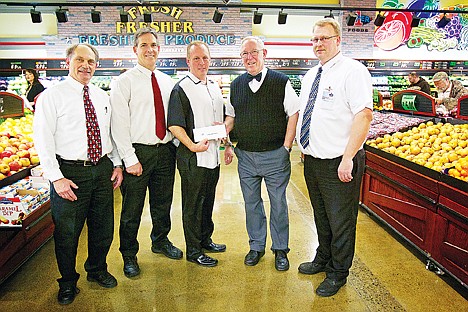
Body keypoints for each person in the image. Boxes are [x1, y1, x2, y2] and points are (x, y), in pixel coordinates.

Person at [33, 43, 124, 305]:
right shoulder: (52, 96)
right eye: (80, 60)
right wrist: (56, 177)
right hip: (69, 173)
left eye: (91, 62)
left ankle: (97, 269)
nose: (86, 66)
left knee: (102, 227)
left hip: (102, 169)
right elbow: (43, 139)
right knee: (67, 232)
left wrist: (116, 163)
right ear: (68, 62)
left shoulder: (100, 96)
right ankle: (68, 282)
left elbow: (108, 134)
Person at [296, 18, 373, 297]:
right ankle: (323, 257)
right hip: (314, 160)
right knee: (321, 216)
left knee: (341, 220)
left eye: (324, 38)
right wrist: (305, 149)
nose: (319, 44)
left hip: (340, 162)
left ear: (338, 40)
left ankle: (338, 272)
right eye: (315, 39)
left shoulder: (353, 71)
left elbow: (364, 116)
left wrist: (348, 157)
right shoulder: (310, 76)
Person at [110, 27, 182, 278]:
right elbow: (118, 123)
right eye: (144, 45)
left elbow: (173, 117)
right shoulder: (124, 81)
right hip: (137, 153)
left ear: (159, 49)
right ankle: (129, 254)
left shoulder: (166, 81)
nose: (149, 49)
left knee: (162, 203)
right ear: (135, 50)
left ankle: (160, 241)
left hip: (164, 151)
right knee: (132, 209)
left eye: (153, 45)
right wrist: (128, 158)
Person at [224, 36, 299, 271]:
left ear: (264, 53)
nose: (249, 58)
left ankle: (280, 249)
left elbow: (294, 113)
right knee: (251, 204)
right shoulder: (235, 85)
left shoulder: (281, 81)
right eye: (245, 54)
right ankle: (256, 246)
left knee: (278, 203)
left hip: (275, 155)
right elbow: (231, 117)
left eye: (253, 52)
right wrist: (222, 136)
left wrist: (286, 147)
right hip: (245, 156)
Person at [167, 41, 226, 267]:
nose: (202, 63)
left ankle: (205, 239)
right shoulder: (181, 88)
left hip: (213, 156)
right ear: (188, 61)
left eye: (205, 58)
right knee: (192, 204)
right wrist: (191, 146)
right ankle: (193, 250)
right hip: (193, 157)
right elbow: (174, 124)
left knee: (208, 200)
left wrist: (225, 142)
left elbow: (219, 120)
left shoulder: (213, 85)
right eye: (196, 59)